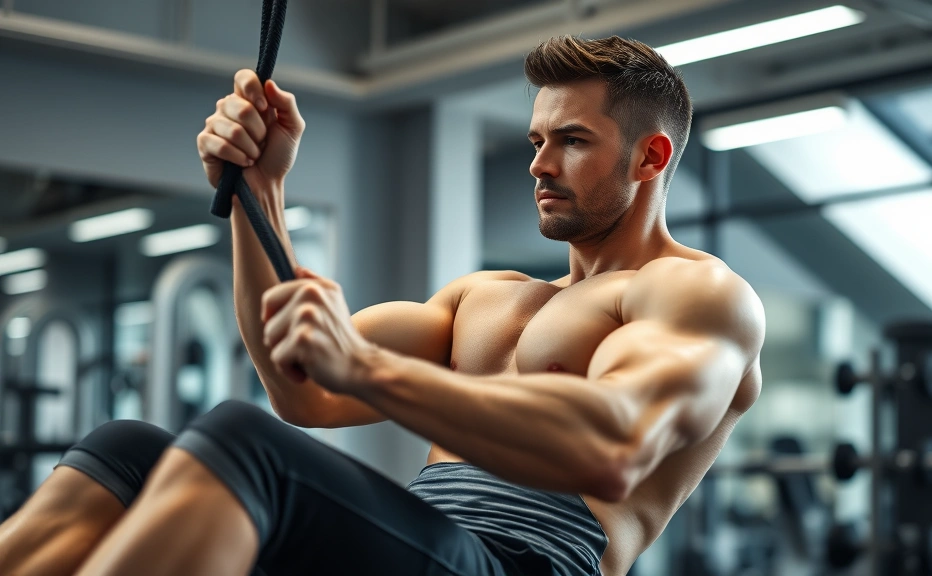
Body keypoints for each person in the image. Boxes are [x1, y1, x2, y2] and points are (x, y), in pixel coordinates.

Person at [0, 35, 763, 576]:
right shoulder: (485, 297)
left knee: (244, 445)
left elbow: (614, 448)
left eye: (570, 140)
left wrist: (366, 365)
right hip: (424, 542)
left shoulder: (694, 292)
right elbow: (302, 389)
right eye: (535, 139)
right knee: (126, 449)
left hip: (524, 563)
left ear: (651, 156)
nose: (538, 163)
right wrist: (257, 190)